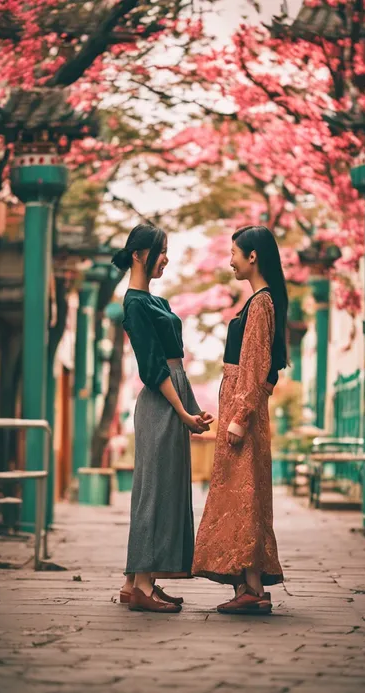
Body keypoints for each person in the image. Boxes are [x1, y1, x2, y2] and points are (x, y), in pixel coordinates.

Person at [112, 224, 213, 614]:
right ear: (139, 254)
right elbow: (152, 368)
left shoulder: (153, 301)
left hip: (172, 394)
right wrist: (184, 412)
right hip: (162, 399)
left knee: (159, 487)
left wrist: (187, 407)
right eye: (161, 251)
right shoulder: (135, 303)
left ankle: (134, 581)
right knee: (155, 490)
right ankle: (142, 585)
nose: (166, 259)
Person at [192, 225, 287, 615]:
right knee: (241, 495)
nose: (229, 260)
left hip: (241, 412)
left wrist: (240, 416)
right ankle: (248, 586)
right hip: (240, 406)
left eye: (234, 252)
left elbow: (256, 365)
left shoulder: (261, 303)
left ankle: (251, 588)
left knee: (244, 497)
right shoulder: (260, 302)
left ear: (253, 256)